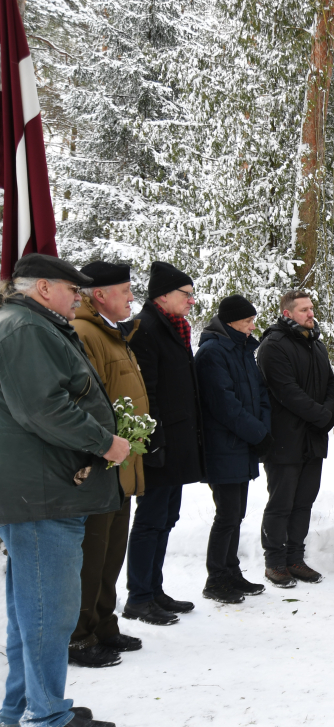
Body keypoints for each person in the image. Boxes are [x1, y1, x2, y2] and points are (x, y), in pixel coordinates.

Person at [0, 253, 126, 727]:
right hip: (44, 494)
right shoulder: (25, 328)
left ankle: (21, 709)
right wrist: (105, 443)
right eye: (73, 290)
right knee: (47, 617)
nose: (79, 297)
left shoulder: (30, 324)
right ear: (44, 288)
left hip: (43, 490)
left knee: (32, 614)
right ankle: (46, 715)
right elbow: (43, 409)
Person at [68, 262, 147, 668]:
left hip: (122, 463)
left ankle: (103, 624)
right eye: (125, 290)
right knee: (91, 555)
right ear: (99, 294)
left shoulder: (114, 334)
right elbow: (87, 400)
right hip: (99, 463)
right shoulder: (85, 334)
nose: (132, 297)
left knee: (112, 551)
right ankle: (79, 636)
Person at [125, 261, 203, 625]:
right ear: (163, 295)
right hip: (160, 444)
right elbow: (147, 393)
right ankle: (138, 596)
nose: (191, 301)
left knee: (166, 518)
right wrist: (153, 442)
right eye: (185, 295)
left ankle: (153, 590)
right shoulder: (147, 330)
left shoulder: (176, 328)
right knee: (151, 520)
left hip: (177, 442)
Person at [257, 289, 334, 588]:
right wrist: (322, 416)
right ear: (287, 313)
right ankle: (274, 562)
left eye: (311, 308)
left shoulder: (315, 344)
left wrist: (327, 413)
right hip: (284, 440)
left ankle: (295, 558)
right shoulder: (273, 345)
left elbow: (331, 383)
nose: (310, 314)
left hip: (313, 440)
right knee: (281, 503)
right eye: (303, 309)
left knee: (304, 502)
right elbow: (286, 391)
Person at [194, 295, 272, 605]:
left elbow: (260, 393)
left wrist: (262, 430)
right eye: (247, 321)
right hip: (224, 445)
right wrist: (257, 433)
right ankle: (216, 578)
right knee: (226, 514)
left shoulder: (243, 350)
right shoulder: (213, 353)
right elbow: (225, 405)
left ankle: (231, 571)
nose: (253, 326)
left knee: (236, 513)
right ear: (230, 322)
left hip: (242, 444)